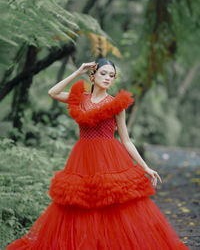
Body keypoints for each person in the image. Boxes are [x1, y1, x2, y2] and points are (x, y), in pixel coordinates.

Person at [6, 58, 190, 249]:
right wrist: (78, 72)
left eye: (112, 75)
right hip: (83, 158)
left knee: (112, 206)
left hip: (109, 159)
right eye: (103, 73)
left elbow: (126, 140)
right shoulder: (81, 99)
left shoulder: (116, 104)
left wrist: (145, 167)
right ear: (93, 75)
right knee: (81, 204)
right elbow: (53, 92)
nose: (108, 78)